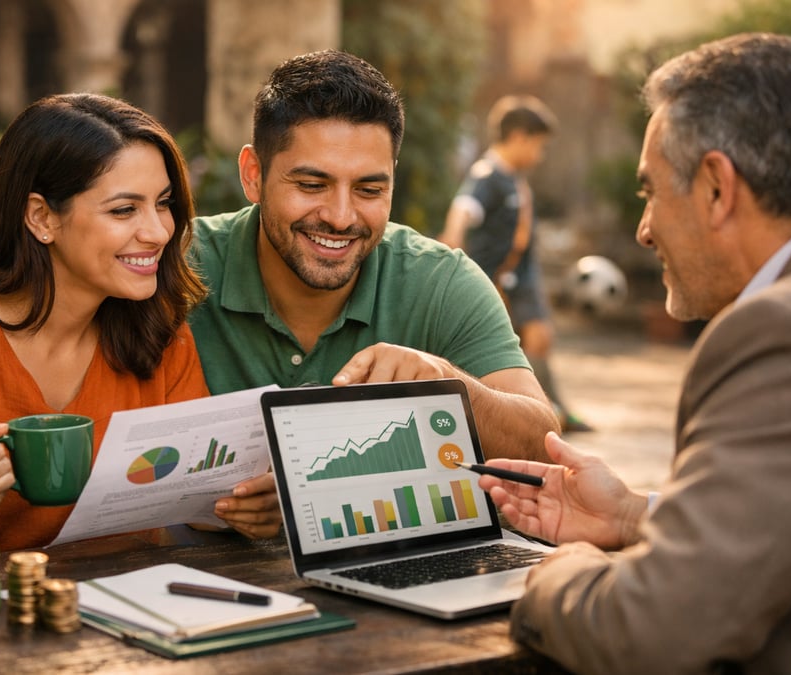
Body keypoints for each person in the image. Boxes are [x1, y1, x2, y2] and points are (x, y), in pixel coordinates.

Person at [477, 33, 791, 673]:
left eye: (649, 191)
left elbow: (655, 634)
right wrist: (637, 515)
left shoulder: (789, 331)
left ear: (717, 187)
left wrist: (556, 574)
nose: (644, 228)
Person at [0, 93, 280, 569]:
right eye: (124, 210)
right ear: (42, 217)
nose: (159, 232)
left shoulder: (160, 328)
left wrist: (242, 506)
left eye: (163, 204)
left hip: (129, 618)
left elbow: (197, 501)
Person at [187, 50, 559, 462]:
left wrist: (447, 384)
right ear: (253, 175)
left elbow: (543, 447)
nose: (341, 218)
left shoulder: (442, 282)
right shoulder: (175, 269)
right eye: (312, 184)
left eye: (369, 190)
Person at [441, 95, 591, 433]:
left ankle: (553, 412)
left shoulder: (514, 179)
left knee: (538, 338)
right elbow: (464, 207)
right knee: (506, 347)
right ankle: (540, 416)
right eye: (538, 145)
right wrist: (453, 236)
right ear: (519, 137)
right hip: (493, 280)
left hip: (520, 280)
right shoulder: (488, 174)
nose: (540, 155)